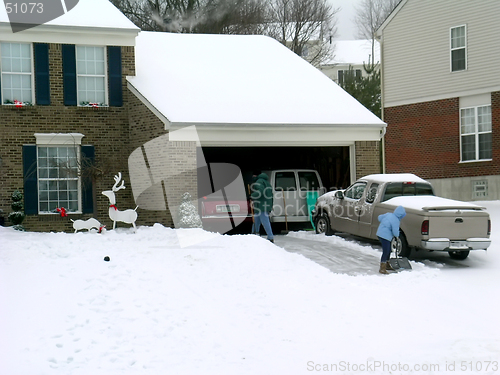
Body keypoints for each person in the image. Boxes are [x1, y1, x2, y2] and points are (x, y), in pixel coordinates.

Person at [376, 205, 406, 274]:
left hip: (379, 234)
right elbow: (395, 231)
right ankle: (382, 268)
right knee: (386, 251)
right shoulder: (396, 220)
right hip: (385, 236)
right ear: (400, 215)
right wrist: (397, 236)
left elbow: (379, 218)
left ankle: (387, 264)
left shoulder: (388, 214)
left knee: (388, 250)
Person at [250, 171, 274, 243]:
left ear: (256, 175)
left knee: (265, 221)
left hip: (262, 205)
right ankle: (254, 234)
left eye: (253, 175)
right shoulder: (266, 182)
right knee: (256, 220)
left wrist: (252, 196)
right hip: (262, 204)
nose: (252, 177)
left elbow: (261, 191)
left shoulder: (259, 181)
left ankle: (270, 236)